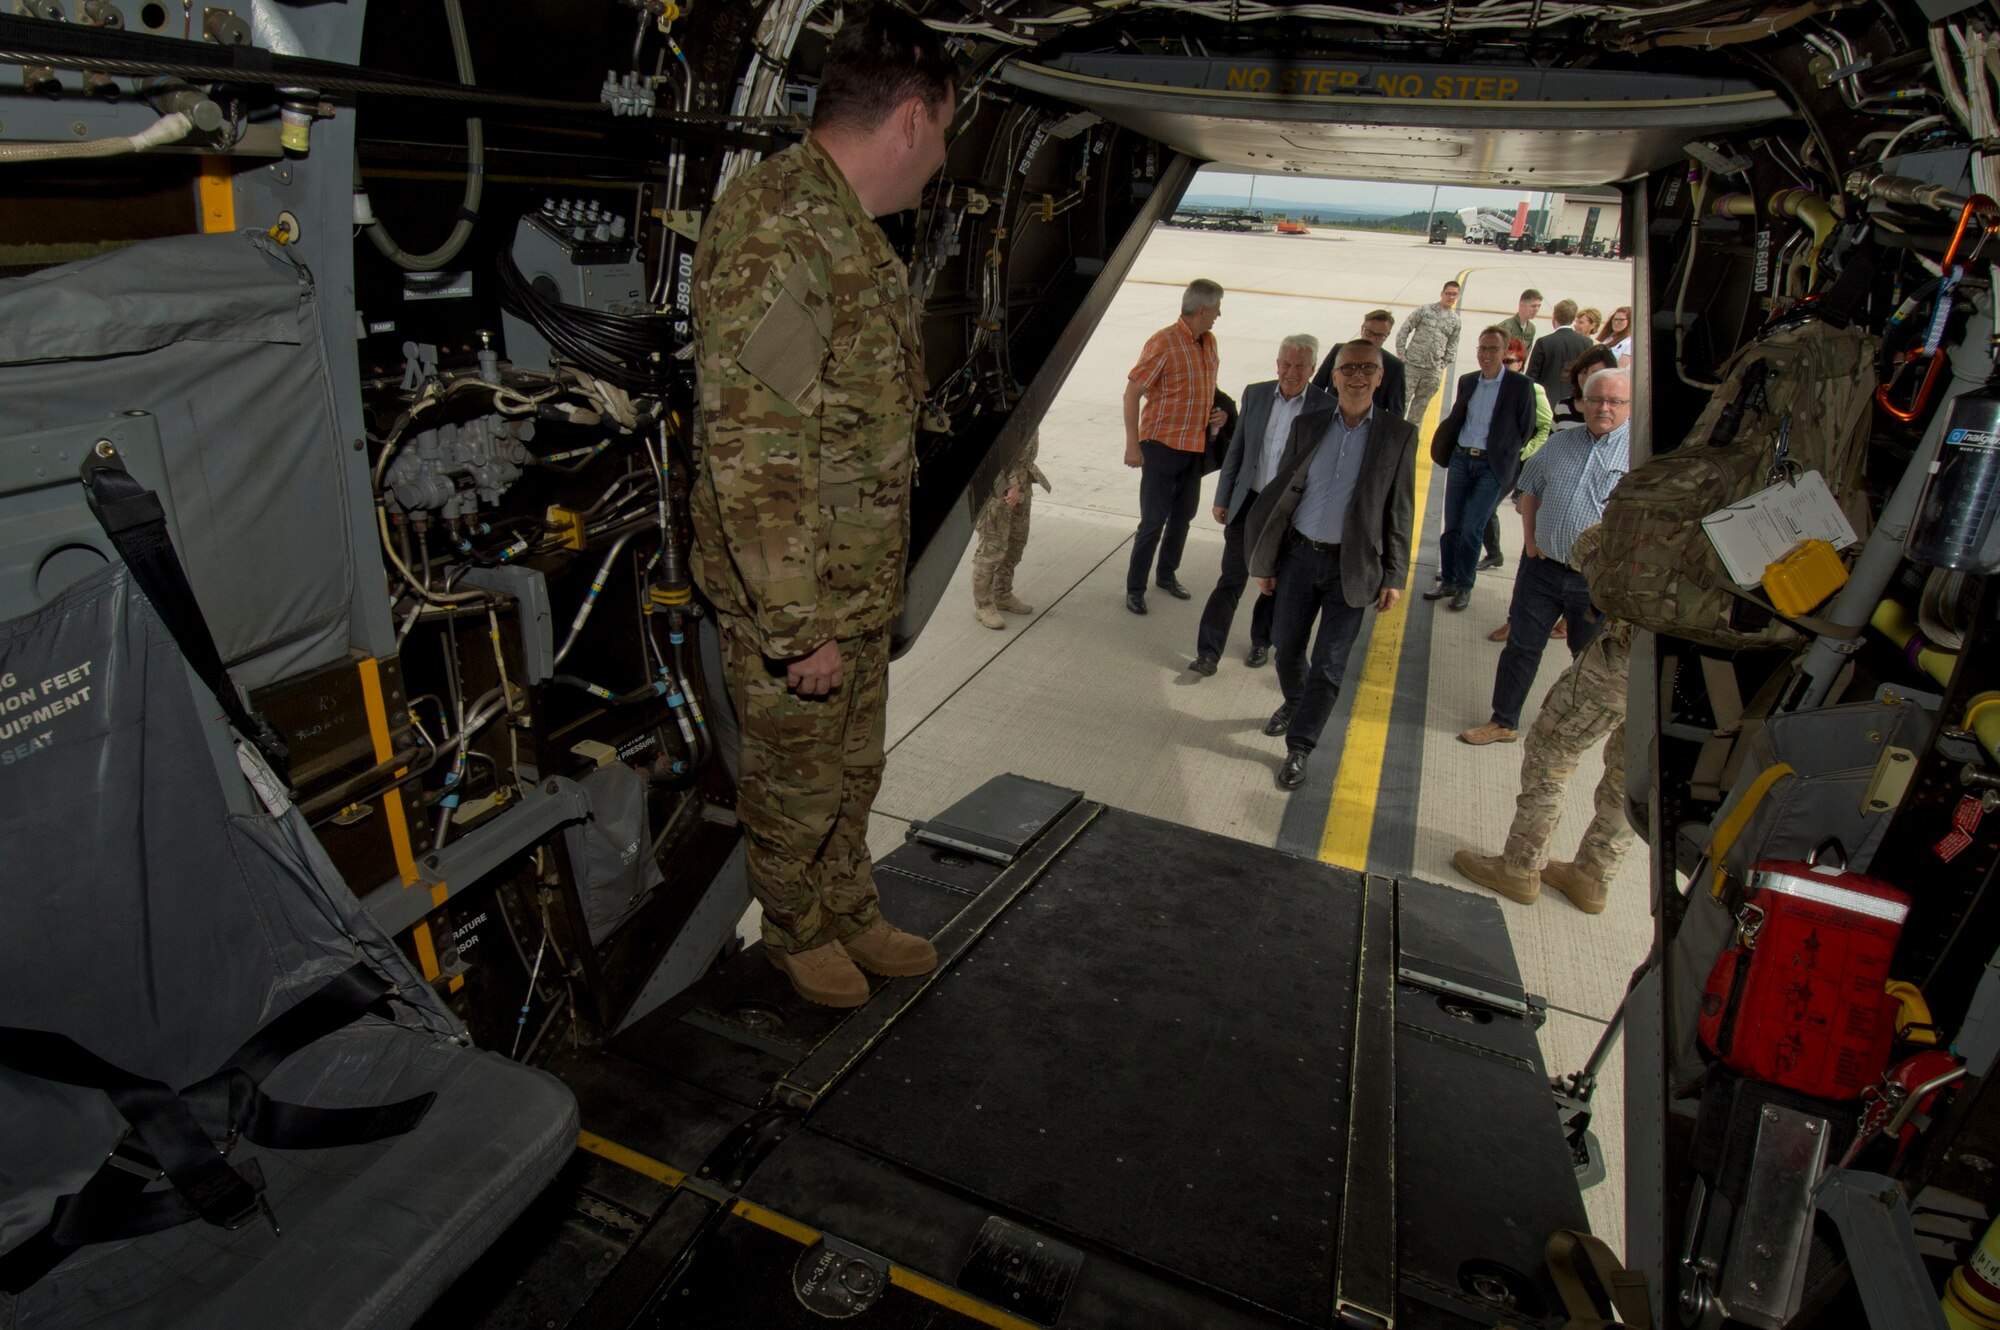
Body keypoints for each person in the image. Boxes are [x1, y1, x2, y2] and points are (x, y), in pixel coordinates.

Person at [689, 2, 952, 1008]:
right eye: (944, 135)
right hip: (795, 603)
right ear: (911, 119)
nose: (938, 164)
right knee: (797, 783)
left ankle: (847, 905)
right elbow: (753, 448)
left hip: (847, 587)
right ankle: (796, 927)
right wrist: (796, 626)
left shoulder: (845, 228)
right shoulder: (780, 229)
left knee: (850, 771)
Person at [1246, 339, 1416, 789]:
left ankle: (1300, 746)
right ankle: (1297, 700)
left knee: (1330, 664)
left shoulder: (1398, 434)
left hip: (1353, 568)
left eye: (1367, 368)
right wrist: (1267, 559)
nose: (1357, 376)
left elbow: (1400, 509)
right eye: (1347, 369)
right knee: (1285, 648)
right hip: (1300, 557)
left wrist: (1395, 574)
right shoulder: (1310, 425)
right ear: (1334, 376)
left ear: (1380, 377)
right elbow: (1281, 496)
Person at [1453, 525, 1635, 913]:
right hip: (1699, 683)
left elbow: (1588, 545)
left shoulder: (1679, 488)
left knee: (1553, 751)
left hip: (1632, 658)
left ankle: (1521, 866)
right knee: (1631, 775)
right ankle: (1593, 878)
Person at [1460, 369, 1633, 746]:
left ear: (1629, 406)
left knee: (1588, 661)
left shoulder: (1639, 456)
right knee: (1521, 647)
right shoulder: (1560, 443)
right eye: (1595, 400)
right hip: (1542, 569)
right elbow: (1529, 492)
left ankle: (1574, 734)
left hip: (1595, 582)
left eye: (1614, 401)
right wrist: (1530, 541)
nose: (1603, 408)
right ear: (1582, 402)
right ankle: (1503, 721)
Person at [1193, 335, 1330, 676]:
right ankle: (1208, 652)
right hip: (1248, 502)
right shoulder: (1255, 394)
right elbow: (1237, 448)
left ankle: (1260, 641)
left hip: (1288, 511)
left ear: (1312, 368)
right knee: (1231, 578)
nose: (1291, 372)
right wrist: (1223, 496)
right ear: (1277, 363)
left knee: (1274, 583)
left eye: (1300, 365)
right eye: (1286, 364)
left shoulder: (1325, 407)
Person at [1123, 279, 1226, 615]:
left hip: (1194, 448)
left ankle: (1166, 575)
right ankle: (1135, 588)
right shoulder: (1163, 342)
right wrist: (1133, 445)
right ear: (1201, 309)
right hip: (1161, 447)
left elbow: (1206, 386)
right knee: (1153, 522)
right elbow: (1132, 394)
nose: (1218, 314)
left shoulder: (1208, 342)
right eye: (1216, 308)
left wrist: (1219, 413)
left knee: (1183, 517)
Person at [1422, 327, 1535, 611]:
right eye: (1482, 349)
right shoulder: (1468, 381)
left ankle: (1464, 584)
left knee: (1472, 528)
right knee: (1453, 527)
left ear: (1504, 350)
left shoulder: (1519, 386)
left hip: (1491, 466)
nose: (1486, 355)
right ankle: (1448, 579)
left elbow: (1526, 428)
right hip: (1461, 460)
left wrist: (1503, 456)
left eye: (1493, 349)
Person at [1477, 338, 1553, 572]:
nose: (1507, 365)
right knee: (1481, 509)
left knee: (1485, 508)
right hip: (1488, 458)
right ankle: (1493, 553)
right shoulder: (1491, 385)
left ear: (1521, 363)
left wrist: (1523, 453)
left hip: (1512, 463)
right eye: (1504, 360)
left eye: (1512, 361)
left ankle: (1494, 553)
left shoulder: (1532, 389)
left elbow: (1544, 425)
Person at [971, 430, 1050, 630]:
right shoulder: (1000, 402)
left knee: (1016, 543)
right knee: (991, 549)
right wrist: (1011, 482)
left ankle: (1002, 593)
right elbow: (992, 447)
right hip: (1000, 488)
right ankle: (984, 605)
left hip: (1022, 483)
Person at [1312, 309, 1405, 418]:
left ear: (1387, 336)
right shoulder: (1338, 352)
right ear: (1362, 329)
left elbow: (1396, 413)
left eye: (1379, 336)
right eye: (1369, 332)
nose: (1372, 339)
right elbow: (1316, 388)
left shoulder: (1394, 367)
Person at [1395, 280, 1462, 426]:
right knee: (1401, 404)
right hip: (1412, 365)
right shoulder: (1425, 310)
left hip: (1432, 372)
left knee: (1418, 411)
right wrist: (1401, 353)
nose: (1450, 297)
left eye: (1454, 295)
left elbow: (1452, 345)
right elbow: (1404, 329)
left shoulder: (1455, 321)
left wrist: (1442, 365)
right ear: (1442, 293)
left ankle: (1411, 440)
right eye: (1448, 293)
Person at [1524, 298, 1595, 413]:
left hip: (1546, 403)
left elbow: (1531, 376)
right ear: (1572, 319)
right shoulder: (1586, 343)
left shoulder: (1544, 342)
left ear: (1555, 316)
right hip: (1574, 402)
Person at [1495, 288, 1543, 355]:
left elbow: (1525, 354)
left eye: (1539, 306)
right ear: (1521, 305)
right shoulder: (1505, 327)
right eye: (1533, 306)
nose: (1536, 309)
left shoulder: (1531, 328)